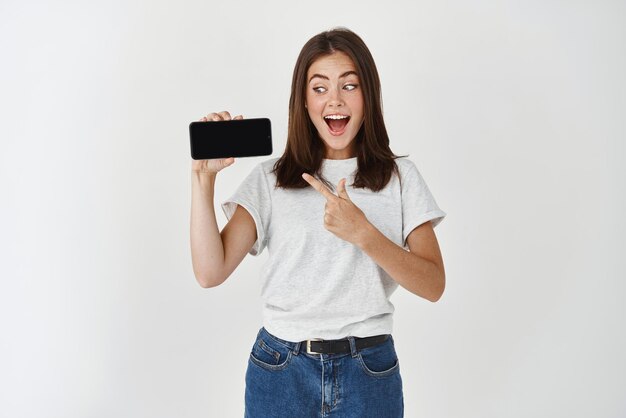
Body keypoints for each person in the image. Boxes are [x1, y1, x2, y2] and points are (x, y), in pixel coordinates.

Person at [190, 27, 446, 418]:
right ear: (304, 102)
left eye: (349, 85)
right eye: (320, 88)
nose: (335, 100)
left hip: (369, 371)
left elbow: (433, 285)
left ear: (368, 97)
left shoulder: (400, 177)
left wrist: (364, 233)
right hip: (281, 370)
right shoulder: (271, 178)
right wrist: (203, 180)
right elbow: (210, 271)